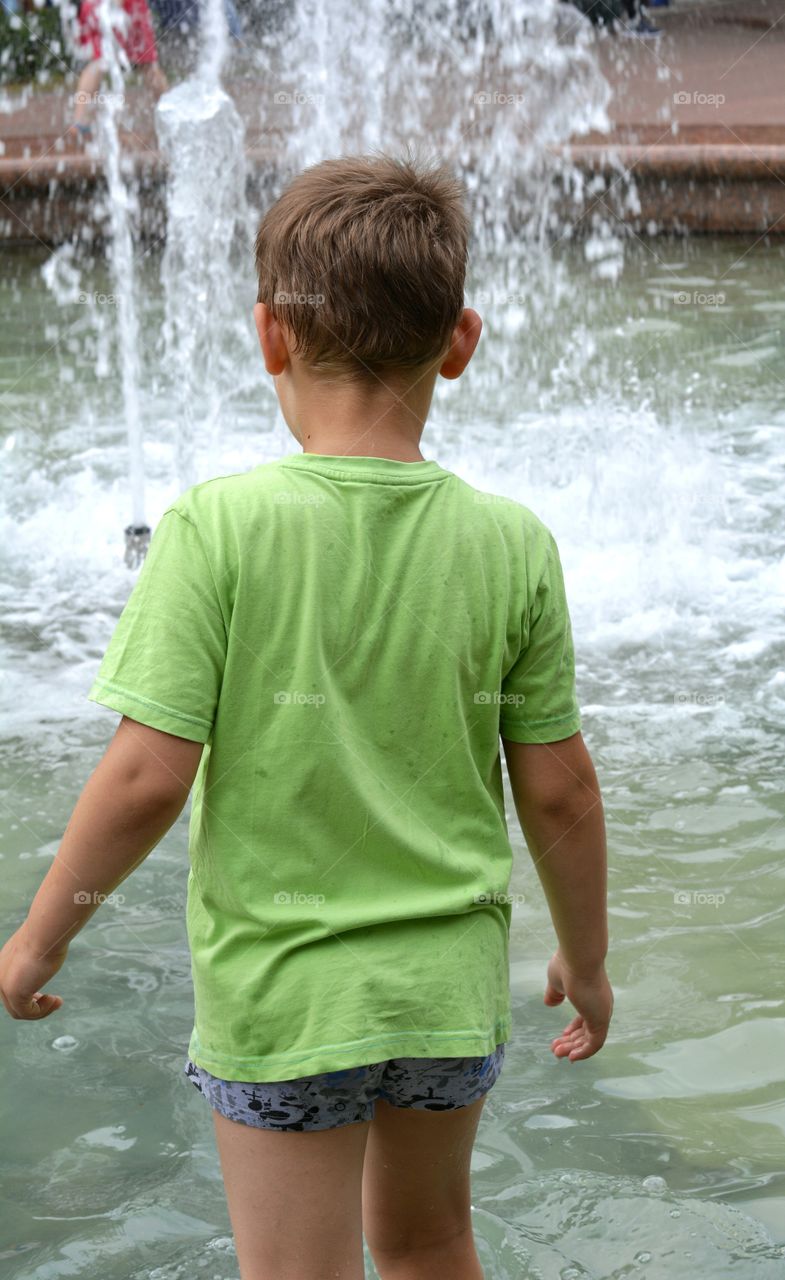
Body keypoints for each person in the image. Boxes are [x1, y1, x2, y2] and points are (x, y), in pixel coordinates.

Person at [0, 152, 613, 1279]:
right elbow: (559, 790)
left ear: (269, 334)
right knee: (428, 1240)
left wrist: (44, 932)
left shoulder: (216, 529)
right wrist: (587, 957)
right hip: (442, 997)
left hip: (284, 998)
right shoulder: (511, 541)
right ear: (459, 341)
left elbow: (146, 776)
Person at [68, 0, 168, 142]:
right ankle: (169, 114)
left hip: (93, 6)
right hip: (124, 6)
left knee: (99, 61)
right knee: (148, 65)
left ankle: (80, 121)